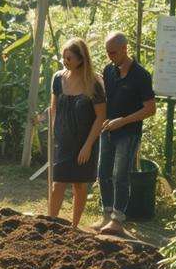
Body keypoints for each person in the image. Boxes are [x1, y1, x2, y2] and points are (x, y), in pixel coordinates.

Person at [96, 32, 156, 236]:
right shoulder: (108, 71)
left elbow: (150, 109)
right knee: (103, 172)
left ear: (124, 49)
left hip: (128, 133)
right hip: (108, 129)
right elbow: (105, 99)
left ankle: (117, 219)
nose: (110, 56)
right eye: (107, 53)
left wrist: (122, 121)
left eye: (113, 52)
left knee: (120, 175)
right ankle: (105, 214)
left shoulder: (141, 75)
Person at [47, 37, 106, 229]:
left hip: (84, 143)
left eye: (69, 58)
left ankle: (73, 227)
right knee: (57, 185)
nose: (65, 61)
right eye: (64, 58)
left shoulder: (94, 83)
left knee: (79, 185)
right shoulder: (58, 78)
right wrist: (56, 133)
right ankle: (50, 224)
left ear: (81, 59)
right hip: (63, 142)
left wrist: (88, 146)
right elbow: (53, 108)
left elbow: (100, 117)